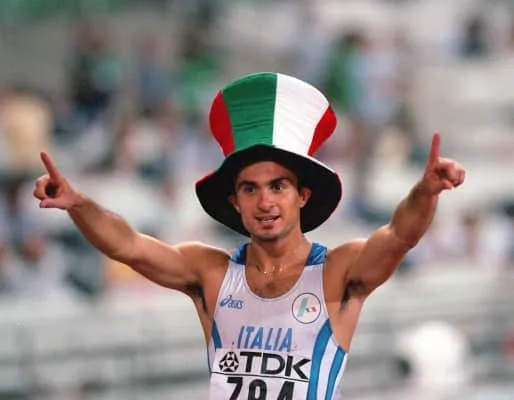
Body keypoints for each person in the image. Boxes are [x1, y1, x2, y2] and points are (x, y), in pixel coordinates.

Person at [33, 72, 465, 399]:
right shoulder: (209, 272)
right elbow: (127, 245)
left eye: (278, 186)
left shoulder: (338, 272)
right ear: (235, 201)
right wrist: (77, 203)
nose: (265, 202)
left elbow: (399, 236)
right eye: (250, 189)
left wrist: (425, 191)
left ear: (302, 196)